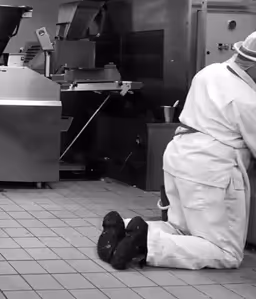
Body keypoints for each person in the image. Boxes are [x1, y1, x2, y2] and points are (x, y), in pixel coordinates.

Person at [99, 31, 256, 270]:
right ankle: (146, 244)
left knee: (181, 228)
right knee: (226, 252)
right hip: (211, 169)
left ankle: (123, 228)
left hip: (179, 155)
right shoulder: (247, 100)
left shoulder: (209, 72)